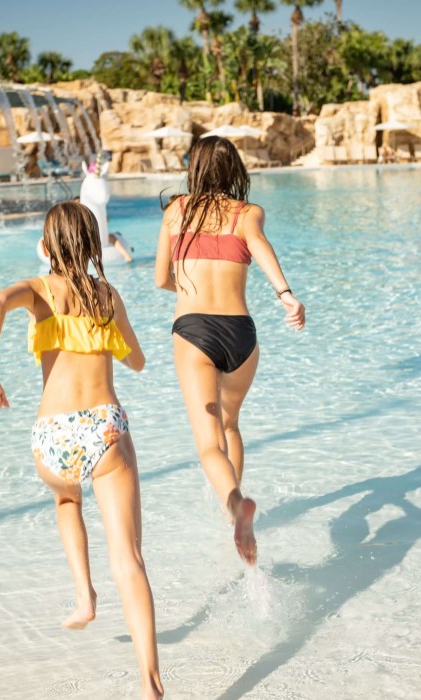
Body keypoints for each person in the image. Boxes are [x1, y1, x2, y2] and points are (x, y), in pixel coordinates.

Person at [0, 201, 171, 700]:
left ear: (46, 244)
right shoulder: (107, 295)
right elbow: (135, 360)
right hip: (104, 429)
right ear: (94, 246)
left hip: (52, 435)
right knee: (129, 559)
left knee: (66, 503)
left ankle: (84, 598)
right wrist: (120, 346)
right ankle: (152, 694)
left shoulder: (39, 291)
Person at [154, 136, 305, 567]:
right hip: (242, 334)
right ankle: (233, 513)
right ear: (235, 170)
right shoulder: (248, 214)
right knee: (231, 424)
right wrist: (286, 296)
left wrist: (186, 287)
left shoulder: (176, 211)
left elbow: (160, 278)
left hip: (194, 329)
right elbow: (259, 247)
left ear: (194, 169)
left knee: (208, 444)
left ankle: (235, 505)